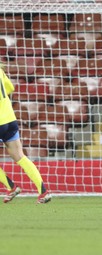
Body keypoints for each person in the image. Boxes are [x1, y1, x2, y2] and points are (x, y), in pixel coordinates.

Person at [0, 68, 52, 204]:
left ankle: (11, 186)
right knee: (20, 156)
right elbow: (10, 88)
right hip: (9, 119)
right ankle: (43, 192)